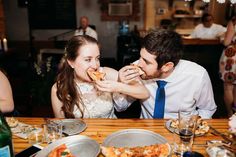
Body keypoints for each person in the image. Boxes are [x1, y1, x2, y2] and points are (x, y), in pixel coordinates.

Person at [117, 29, 217, 119]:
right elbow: (120, 107)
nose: (139, 64)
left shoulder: (197, 76)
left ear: (167, 66)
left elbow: (207, 109)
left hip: (181, 130)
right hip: (147, 130)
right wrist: (121, 84)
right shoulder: (137, 71)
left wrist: (191, 127)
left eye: (146, 61)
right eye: (140, 57)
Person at [51, 35, 149, 118]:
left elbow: (144, 93)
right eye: (88, 59)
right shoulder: (59, 88)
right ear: (71, 62)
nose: (95, 65)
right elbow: (61, 126)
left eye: (97, 58)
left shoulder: (106, 73)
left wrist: (118, 85)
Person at [219, 14, 236, 117]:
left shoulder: (233, 21)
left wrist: (221, 38)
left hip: (232, 57)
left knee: (228, 87)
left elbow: (226, 42)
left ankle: (230, 116)